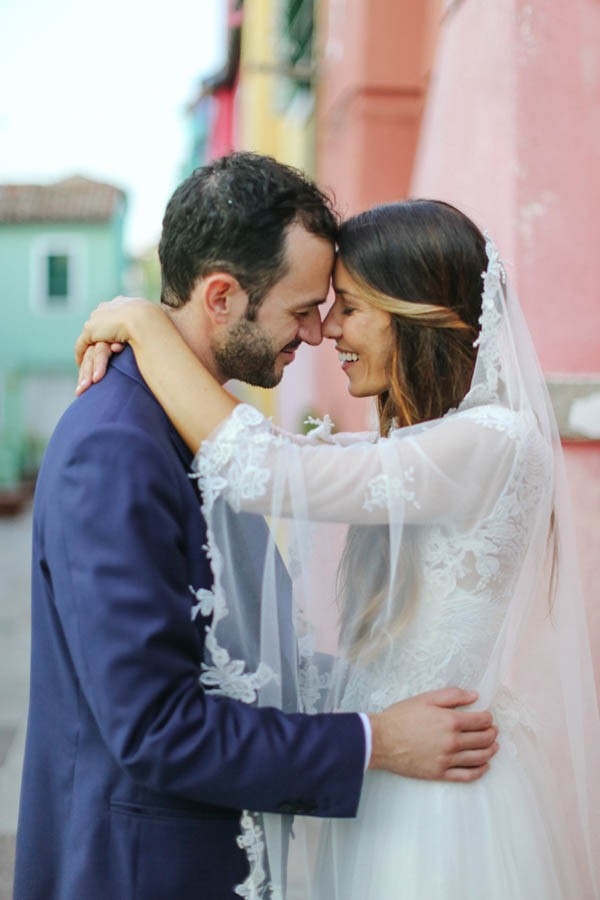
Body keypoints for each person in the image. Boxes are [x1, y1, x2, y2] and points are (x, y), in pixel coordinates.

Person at [74, 197, 600, 899]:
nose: (328, 332)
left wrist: (145, 324)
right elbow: (292, 467)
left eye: (349, 307)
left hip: (441, 807)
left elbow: (270, 470)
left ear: (412, 312)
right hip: (398, 769)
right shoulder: (430, 450)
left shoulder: (493, 441)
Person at [14, 156, 498, 900]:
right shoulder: (116, 444)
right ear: (222, 296)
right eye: (302, 307)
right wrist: (375, 739)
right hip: (138, 871)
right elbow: (155, 729)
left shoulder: (202, 431)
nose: (315, 332)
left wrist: (143, 320)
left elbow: (249, 658)